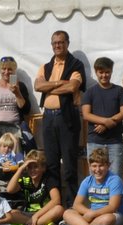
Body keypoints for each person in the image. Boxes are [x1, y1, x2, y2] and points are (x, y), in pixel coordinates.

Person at [35, 30, 87, 194]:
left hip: (67, 117)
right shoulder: (45, 66)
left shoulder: (76, 64)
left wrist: (49, 87)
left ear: (67, 43)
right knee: (51, 163)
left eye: (61, 42)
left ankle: (71, 204)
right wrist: (59, 83)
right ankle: (54, 202)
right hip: (48, 118)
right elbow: (37, 86)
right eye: (55, 43)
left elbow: (72, 87)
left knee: (70, 164)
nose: (58, 45)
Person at [80, 57, 123, 180]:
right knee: (96, 177)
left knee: (116, 177)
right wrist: (106, 121)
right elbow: (86, 114)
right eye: (101, 72)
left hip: (115, 141)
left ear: (111, 71)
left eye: (107, 72)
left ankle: (116, 200)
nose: (104, 75)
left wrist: (106, 124)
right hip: (95, 141)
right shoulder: (90, 92)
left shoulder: (119, 90)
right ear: (96, 72)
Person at [62, 146, 123, 225]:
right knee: (67, 213)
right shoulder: (87, 181)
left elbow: (112, 207)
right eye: (94, 166)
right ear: (90, 166)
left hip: (113, 215)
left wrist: (93, 214)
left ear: (108, 165)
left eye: (101, 166)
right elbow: (76, 204)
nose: (97, 170)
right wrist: (88, 212)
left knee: (107, 218)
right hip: (92, 215)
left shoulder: (115, 180)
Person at [5, 149, 64, 225]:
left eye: (35, 167)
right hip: (28, 215)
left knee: (59, 209)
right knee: (10, 213)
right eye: (29, 167)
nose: (32, 170)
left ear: (43, 168)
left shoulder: (48, 179)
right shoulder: (25, 179)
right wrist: (21, 168)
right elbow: (9, 189)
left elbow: (56, 200)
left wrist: (36, 216)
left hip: (44, 213)